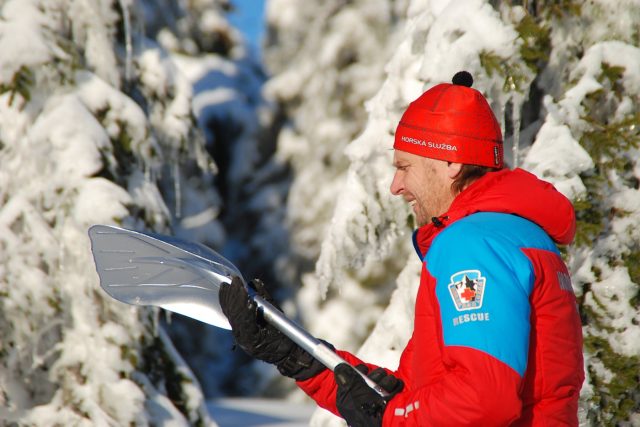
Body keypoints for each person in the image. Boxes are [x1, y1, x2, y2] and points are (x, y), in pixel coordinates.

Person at [219, 71, 584, 426]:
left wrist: (390, 418)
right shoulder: (518, 236)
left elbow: (483, 399)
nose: (396, 185)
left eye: (405, 166)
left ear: (451, 162)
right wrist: (294, 352)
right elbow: (411, 395)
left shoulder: (473, 244)